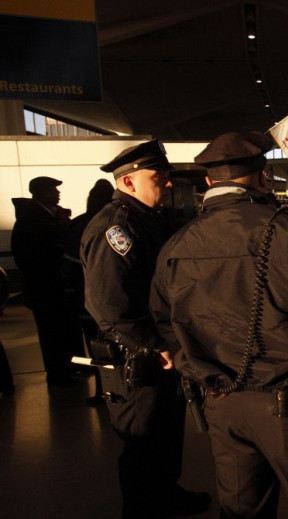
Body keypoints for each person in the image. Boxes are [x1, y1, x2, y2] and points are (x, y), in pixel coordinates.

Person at [150, 131, 288, 518]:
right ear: (264, 177)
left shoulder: (177, 243)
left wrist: (196, 367)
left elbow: (163, 321)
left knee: (242, 509)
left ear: (207, 182)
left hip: (220, 404)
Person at [80, 140, 211, 518]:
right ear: (129, 182)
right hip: (137, 357)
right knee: (142, 440)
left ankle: (166, 495)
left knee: (165, 435)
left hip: (159, 351)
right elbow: (108, 305)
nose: (167, 184)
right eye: (158, 177)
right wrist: (154, 345)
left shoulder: (145, 220)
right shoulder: (116, 228)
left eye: (167, 176)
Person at [11, 176, 78, 386]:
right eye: (52, 189)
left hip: (59, 286)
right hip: (45, 289)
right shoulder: (29, 220)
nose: (57, 193)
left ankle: (69, 367)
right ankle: (58, 374)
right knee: (51, 333)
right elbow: (25, 256)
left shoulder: (56, 215)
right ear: (39, 193)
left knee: (65, 330)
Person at [61, 179, 115, 405]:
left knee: (95, 347)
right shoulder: (116, 223)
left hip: (86, 301)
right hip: (112, 301)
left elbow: (69, 266)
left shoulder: (80, 225)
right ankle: (114, 388)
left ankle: (101, 390)